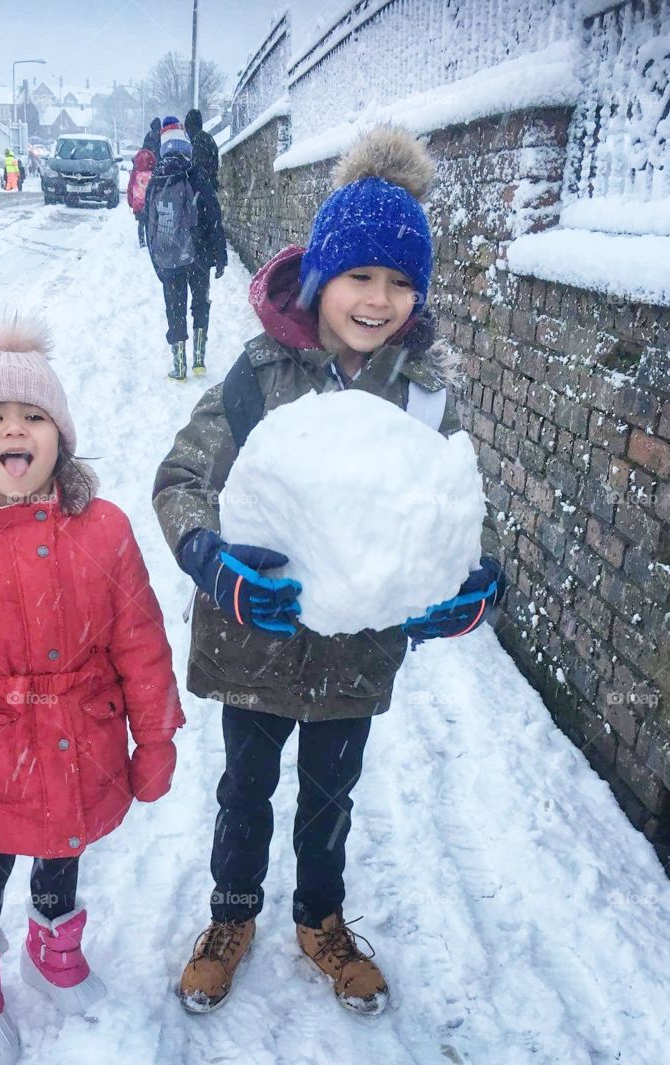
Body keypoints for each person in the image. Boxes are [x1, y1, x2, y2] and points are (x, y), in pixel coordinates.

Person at [152, 126, 506, 1017]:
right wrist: (214, 561)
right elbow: (182, 478)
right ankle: (232, 916)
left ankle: (321, 918)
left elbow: (449, 515)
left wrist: (465, 586)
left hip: (354, 657)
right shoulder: (261, 375)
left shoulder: (422, 400)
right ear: (322, 278)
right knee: (245, 791)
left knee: (330, 797)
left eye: (399, 282)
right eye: (361, 276)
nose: (378, 299)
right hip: (256, 641)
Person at [0, 314, 185, 1065]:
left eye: (32, 416)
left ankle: (55, 945)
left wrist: (156, 739)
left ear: (60, 436)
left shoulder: (104, 529)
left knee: (67, 843)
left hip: (82, 736)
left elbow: (140, 642)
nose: (13, 431)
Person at [144, 116, 227, 381]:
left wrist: (156, 262)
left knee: (175, 307)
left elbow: (149, 225)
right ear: (186, 147)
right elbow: (214, 216)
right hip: (199, 254)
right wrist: (220, 254)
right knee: (200, 303)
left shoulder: (157, 179)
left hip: (169, 255)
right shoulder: (197, 175)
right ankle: (199, 360)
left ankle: (179, 365)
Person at [127, 145, 156, 247]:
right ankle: (150, 240)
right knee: (150, 223)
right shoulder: (154, 173)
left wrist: (130, 201)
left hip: (138, 204)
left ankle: (142, 241)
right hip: (151, 203)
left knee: (141, 223)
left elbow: (130, 187)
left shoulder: (135, 173)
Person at [184, 108, 219, 190]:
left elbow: (197, 167)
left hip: (201, 190)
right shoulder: (207, 138)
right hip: (209, 187)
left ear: (190, 126)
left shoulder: (199, 141)